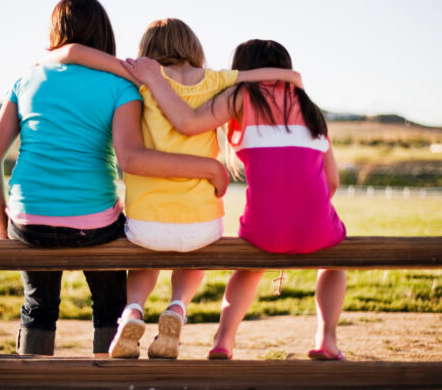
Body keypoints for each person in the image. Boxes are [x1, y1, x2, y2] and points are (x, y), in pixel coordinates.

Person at [0, 0, 228, 390]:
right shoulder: (122, 85)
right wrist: (208, 169)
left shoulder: (27, 77)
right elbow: (131, 157)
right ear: (106, 33)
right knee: (111, 309)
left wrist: (2, 225)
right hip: (95, 223)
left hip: (28, 221)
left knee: (37, 311)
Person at [39, 19, 301, 360]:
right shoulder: (217, 79)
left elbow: (73, 52)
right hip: (201, 223)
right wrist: (292, 78)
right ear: (193, 47)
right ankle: (177, 307)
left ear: (148, 50)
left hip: (147, 221)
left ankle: (134, 309)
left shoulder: (141, 77)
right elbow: (276, 77)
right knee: (194, 254)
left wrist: (46, 60)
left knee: (146, 254)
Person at [123, 39, 347, 361]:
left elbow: (186, 123)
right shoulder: (311, 109)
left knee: (248, 267)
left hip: (264, 229)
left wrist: (156, 80)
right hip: (316, 227)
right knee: (334, 262)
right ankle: (326, 339)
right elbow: (332, 181)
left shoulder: (243, 95)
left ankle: (223, 340)